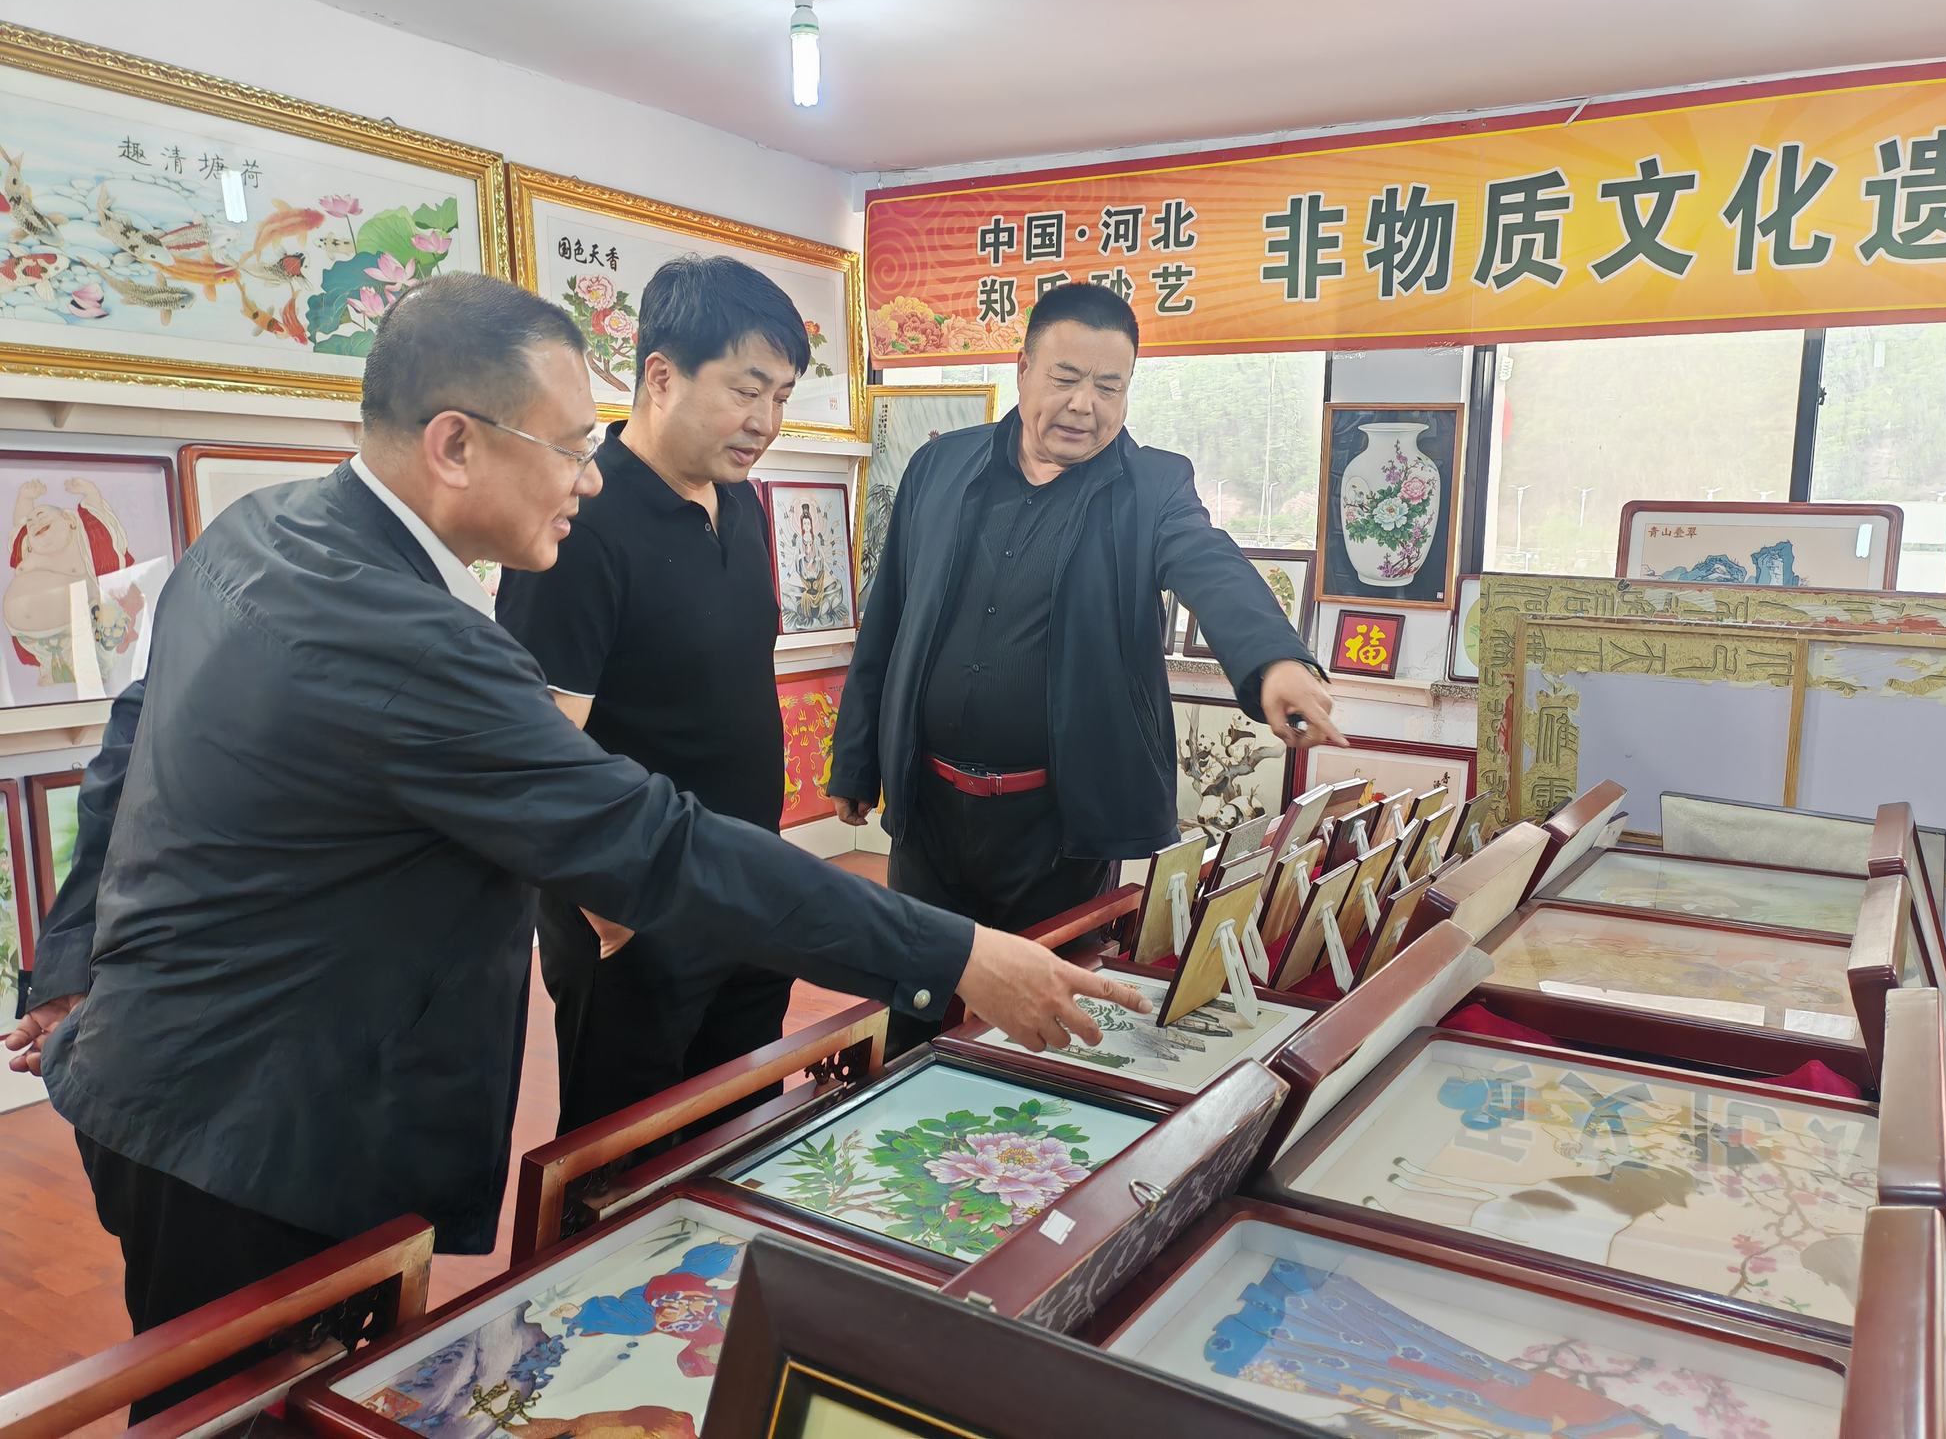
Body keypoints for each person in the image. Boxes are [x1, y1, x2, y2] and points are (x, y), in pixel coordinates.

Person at [2, 273, 1140, 1420]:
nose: (588, 479)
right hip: (262, 1126)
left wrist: (64, 968)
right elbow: (652, 843)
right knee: (249, 1409)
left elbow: (128, 737)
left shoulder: (263, 528)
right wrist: (955, 954)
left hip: (162, 1074)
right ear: (455, 444)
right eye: (567, 448)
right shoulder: (414, 645)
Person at [828, 282, 1340, 1053]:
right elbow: (888, 621)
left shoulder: (1152, 487)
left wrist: (1274, 660)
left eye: (1109, 386)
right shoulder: (939, 467)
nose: (1084, 405)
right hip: (931, 811)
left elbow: (1211, 567)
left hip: (1058, 828)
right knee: (919, 1006)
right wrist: (856, 760)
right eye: (1066, 379)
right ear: (1023, 368)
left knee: (1047, 1023)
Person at [497, 256, 805, 1138]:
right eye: (747, 390)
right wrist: (613, 912)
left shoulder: (741, 505)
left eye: (782, 397)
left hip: (750, 885)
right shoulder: (581, 521)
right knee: (624, 1159)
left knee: (741, 1132)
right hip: (640, 911)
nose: (766, 422)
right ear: (661, 377)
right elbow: (539, 748)